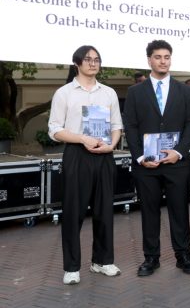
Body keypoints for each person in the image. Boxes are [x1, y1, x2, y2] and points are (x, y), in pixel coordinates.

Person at [123, 39, 190, 277]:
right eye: (158, 57)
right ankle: (151, 258)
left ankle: (183, 255)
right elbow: (131, 126)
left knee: (180, 211)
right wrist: (140, 156)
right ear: (149, 60)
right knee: (149, 211)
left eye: (167, 57)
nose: (163, 61)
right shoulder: (135, 92)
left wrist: (178, 152)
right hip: (147, 164)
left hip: (176, 163)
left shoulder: (184, 90)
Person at [48, 45, 123, 285]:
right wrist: (82, 138)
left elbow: (116, 126)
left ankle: (102, 261)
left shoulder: (108, 93)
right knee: (73, 212)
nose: (93, 63)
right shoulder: (64, 93)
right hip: (77, 155)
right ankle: (71, 267)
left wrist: (112, 145)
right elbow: (55, 129)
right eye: (88, 59)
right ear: (77, 63)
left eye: (97, 59)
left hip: (104, 155)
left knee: (104, 211)